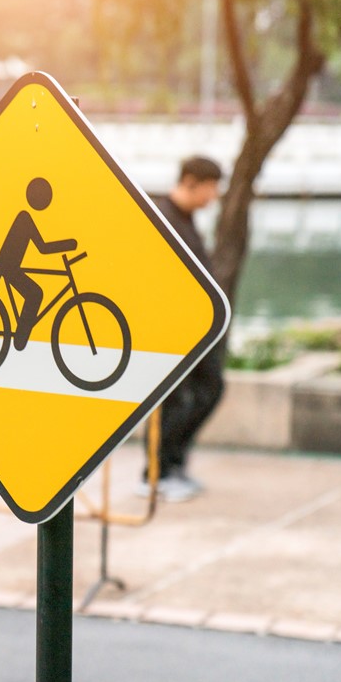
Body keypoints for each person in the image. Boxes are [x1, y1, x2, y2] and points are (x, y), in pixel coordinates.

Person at [136, 155, 227, 503]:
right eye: (210, 187)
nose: (213, 196)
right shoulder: (163, 217)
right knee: (171, 402)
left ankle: (173, 464)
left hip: (195, 330)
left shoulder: (187, 218)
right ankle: (155, 473)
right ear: (191, 181)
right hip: (168, 331)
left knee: (211, 388)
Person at [0, 177, 77, 350]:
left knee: (35, 292)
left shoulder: (26, 217)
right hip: (8, 265)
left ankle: (21, 336)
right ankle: (20, 340)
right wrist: (68, 244)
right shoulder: (25, 218)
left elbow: (42, 248)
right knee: (36, 293)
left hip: (12, 265)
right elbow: (43, 248)